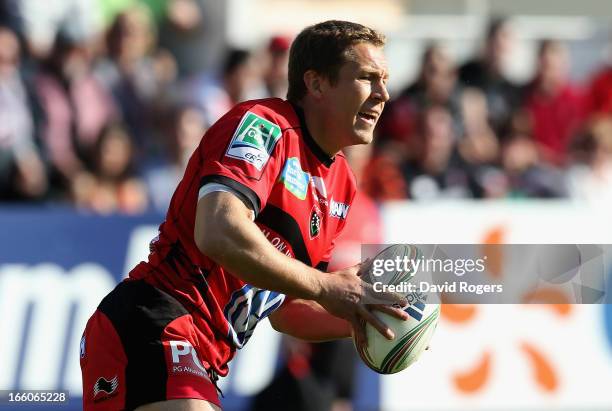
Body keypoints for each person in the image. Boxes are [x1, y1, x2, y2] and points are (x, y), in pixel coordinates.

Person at [80, 20, 409, 411]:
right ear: (317, 84)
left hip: (205, 358)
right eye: (368, 78)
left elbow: (287, 311)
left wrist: (361, 317)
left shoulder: (341, 182)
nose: (383, 94)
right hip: (155, 321)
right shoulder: (263, 125)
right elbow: (219, 229)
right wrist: (325, 286)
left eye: (384, 80)